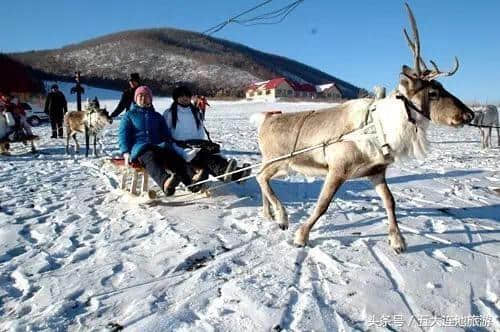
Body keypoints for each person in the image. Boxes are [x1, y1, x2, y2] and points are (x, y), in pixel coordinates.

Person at [163, 85, 250, 185]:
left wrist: (201, 144)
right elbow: (165, 132)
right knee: (205, 157)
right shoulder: (169, 113)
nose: (184, 98)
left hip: (196, 144)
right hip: (180, 147)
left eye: (186, 96)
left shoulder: (195, 112)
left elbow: (200, 131)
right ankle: (232, 173)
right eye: (181, 96)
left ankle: (235, 173)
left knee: (210, 154)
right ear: (176, 98)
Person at [118, 85, 193, 196]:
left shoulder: (157, 116)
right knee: (150, 157)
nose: (143, 98)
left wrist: (170, 146)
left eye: (146, 96)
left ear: (150, 99)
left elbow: (166, 134)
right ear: (136, 99)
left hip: (159, 146)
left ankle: (191, 181)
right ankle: (165, 182)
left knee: (173, 157)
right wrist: (125, 152)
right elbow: (123, 135)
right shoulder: (129, 115)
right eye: (140, 96)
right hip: (141, 149)